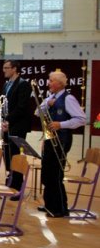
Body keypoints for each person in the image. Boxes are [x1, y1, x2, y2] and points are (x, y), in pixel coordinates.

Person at [37, 71, 86, 218]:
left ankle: (60, 208)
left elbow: (81, 119)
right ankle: (49, 204)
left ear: (60, 83)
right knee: (47, 174)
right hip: (49, 139)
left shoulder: (68, 98)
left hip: (62, 140)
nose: (48, 83)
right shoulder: (50, 98)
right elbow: (37, 112)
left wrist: (61, 124)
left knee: (56, 174)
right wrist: (47, 104)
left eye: (51, 80)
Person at [0, 60, 32, 197]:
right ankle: (10, 181)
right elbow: (3, 104)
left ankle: (17, 186)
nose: (4, 70)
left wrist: (8, 120)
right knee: (7, 154)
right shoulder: (6, 84)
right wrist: (2, 120)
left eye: (6, 68)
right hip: (6, 124)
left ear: (14, 69)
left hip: (17, 125)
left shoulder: (23, 84)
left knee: (15, 155)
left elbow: (21, 107)